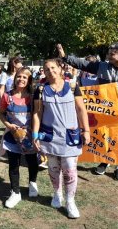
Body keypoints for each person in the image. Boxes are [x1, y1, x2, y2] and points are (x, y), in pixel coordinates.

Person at [58, 42, 118, 181]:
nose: (109, 56)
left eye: (112, 54)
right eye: (108, 53)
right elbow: (82, 64)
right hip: (105, 111)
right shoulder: (102, 66)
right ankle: (104, 162)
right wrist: (65, 57)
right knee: (105, 137)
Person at [32, 58, 90, 218]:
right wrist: (35, 135)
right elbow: (37, 113)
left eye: (53, 67)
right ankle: (57, 194)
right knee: (53, 167)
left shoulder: (72, 86)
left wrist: (86, 130)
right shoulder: (41, 89)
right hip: (49, 135)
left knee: (70, 169)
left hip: (70, 136)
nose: (50, 71)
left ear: (60, 68)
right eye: (47, 69)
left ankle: (70, 201)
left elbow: (81, 109)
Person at [0, 67, 39, 208]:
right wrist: (8, 124)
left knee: (32, 162)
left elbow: (38, 115)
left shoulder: (34, 96)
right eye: (19, 76)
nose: (21, 79)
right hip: (12, 136)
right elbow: (1, 113)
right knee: (13, 164)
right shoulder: (7, 96)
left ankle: (32, 183)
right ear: (15, 78)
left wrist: (35, 134)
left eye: (24, 77)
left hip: (30, 136)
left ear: (29, 81)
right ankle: (15, 192)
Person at [0, 57, 23, 159]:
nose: (21, 65)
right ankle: (1, 152)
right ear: (13, 64)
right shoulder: (5, 75)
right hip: (10, 103)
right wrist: (4, 102)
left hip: (21, 103)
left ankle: (4, 151)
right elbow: (2, 89)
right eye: (19, 63)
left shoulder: (22, 74)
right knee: (9, 127)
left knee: (14, 128)